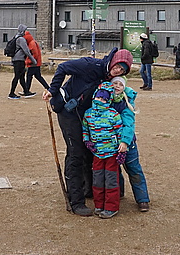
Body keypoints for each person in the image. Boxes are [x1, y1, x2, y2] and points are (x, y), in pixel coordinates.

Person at [43, 47, 133, 216]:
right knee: (76, 153)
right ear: (113, 60)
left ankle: (91, 189)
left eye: (123, 70)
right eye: (118, 66)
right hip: (68, 112)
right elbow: (63, 68)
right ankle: (76, 201)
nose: (118, 70)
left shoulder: (110, 79)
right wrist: (52, 90)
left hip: (89, 115)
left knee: (91, 150)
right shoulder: (90, 65)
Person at [82, 81, 131, 219]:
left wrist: (122, 149)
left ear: (109, 100)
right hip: (97, 153)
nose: (101, 100)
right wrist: (87, 141)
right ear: (94, 96)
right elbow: (85, 129)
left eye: (104, 98)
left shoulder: (113, 114)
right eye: (99, 97)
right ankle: (99, 204)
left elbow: (120, 132)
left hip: (111, 153)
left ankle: (111, 207)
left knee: (111, 180)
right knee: (97, 180)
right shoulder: (88, 114)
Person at [111, 75, 150, 212]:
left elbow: (128, 124)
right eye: (114, 83)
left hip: (127, 143)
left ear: (124, 88)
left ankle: (142, 199)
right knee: (114, 170)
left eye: (120, 84)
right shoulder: (104, 101)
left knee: (133, 169)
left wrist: (125, 141)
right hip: (110, 142)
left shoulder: (126, 104)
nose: (116, 86)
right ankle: (119, 192)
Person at [8, 25, 37, 99]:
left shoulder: (16, 37)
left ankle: (26, 91)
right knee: (18, 76)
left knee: (21, 76)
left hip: (16, 59)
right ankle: (11, 93)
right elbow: (26, 51)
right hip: (19, 60)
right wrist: (34, 60)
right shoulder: (21, 39)